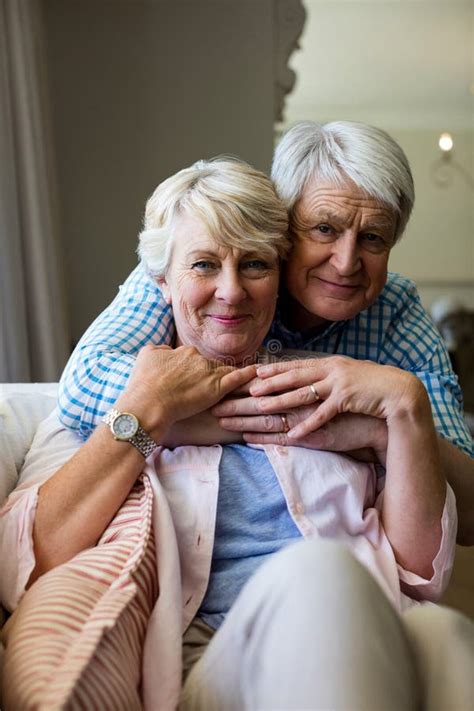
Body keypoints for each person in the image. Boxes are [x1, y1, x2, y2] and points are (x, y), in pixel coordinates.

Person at [0, 158, 470, 711]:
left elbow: (421, 577)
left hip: (360, 639)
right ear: (161, 280)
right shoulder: (122, 402)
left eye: (254, 265)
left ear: (281, 275)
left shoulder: (327, 391)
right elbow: (26, 560)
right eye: (203, 264)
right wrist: (153, 417)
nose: (231, 291)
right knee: (321, 575)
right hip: (203, 661)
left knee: (447, 640)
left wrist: (401, 412)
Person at [56, 121, 474, 544]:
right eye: (324, 229)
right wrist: (319, 421)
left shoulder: (396, 309)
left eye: (372, 238)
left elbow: (470, 509)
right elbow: (83, 384)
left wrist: (397, 411)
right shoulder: (193, 272)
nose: (347, 262)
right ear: (283, 228)